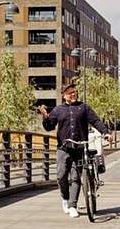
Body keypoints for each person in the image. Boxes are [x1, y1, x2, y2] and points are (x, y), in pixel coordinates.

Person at [38, 84, 112, 218]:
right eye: (70, 93)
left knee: (75, 177)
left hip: (80, 148)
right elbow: (49, 127)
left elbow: (95, 121)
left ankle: (73, 205)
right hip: (63, 148)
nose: (73, 95)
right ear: (64, 95)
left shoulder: (83, 107)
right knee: (61, 176)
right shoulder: (58, 110)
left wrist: (105, 132)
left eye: (74, 92)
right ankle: (65, 198)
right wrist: (45, 118)